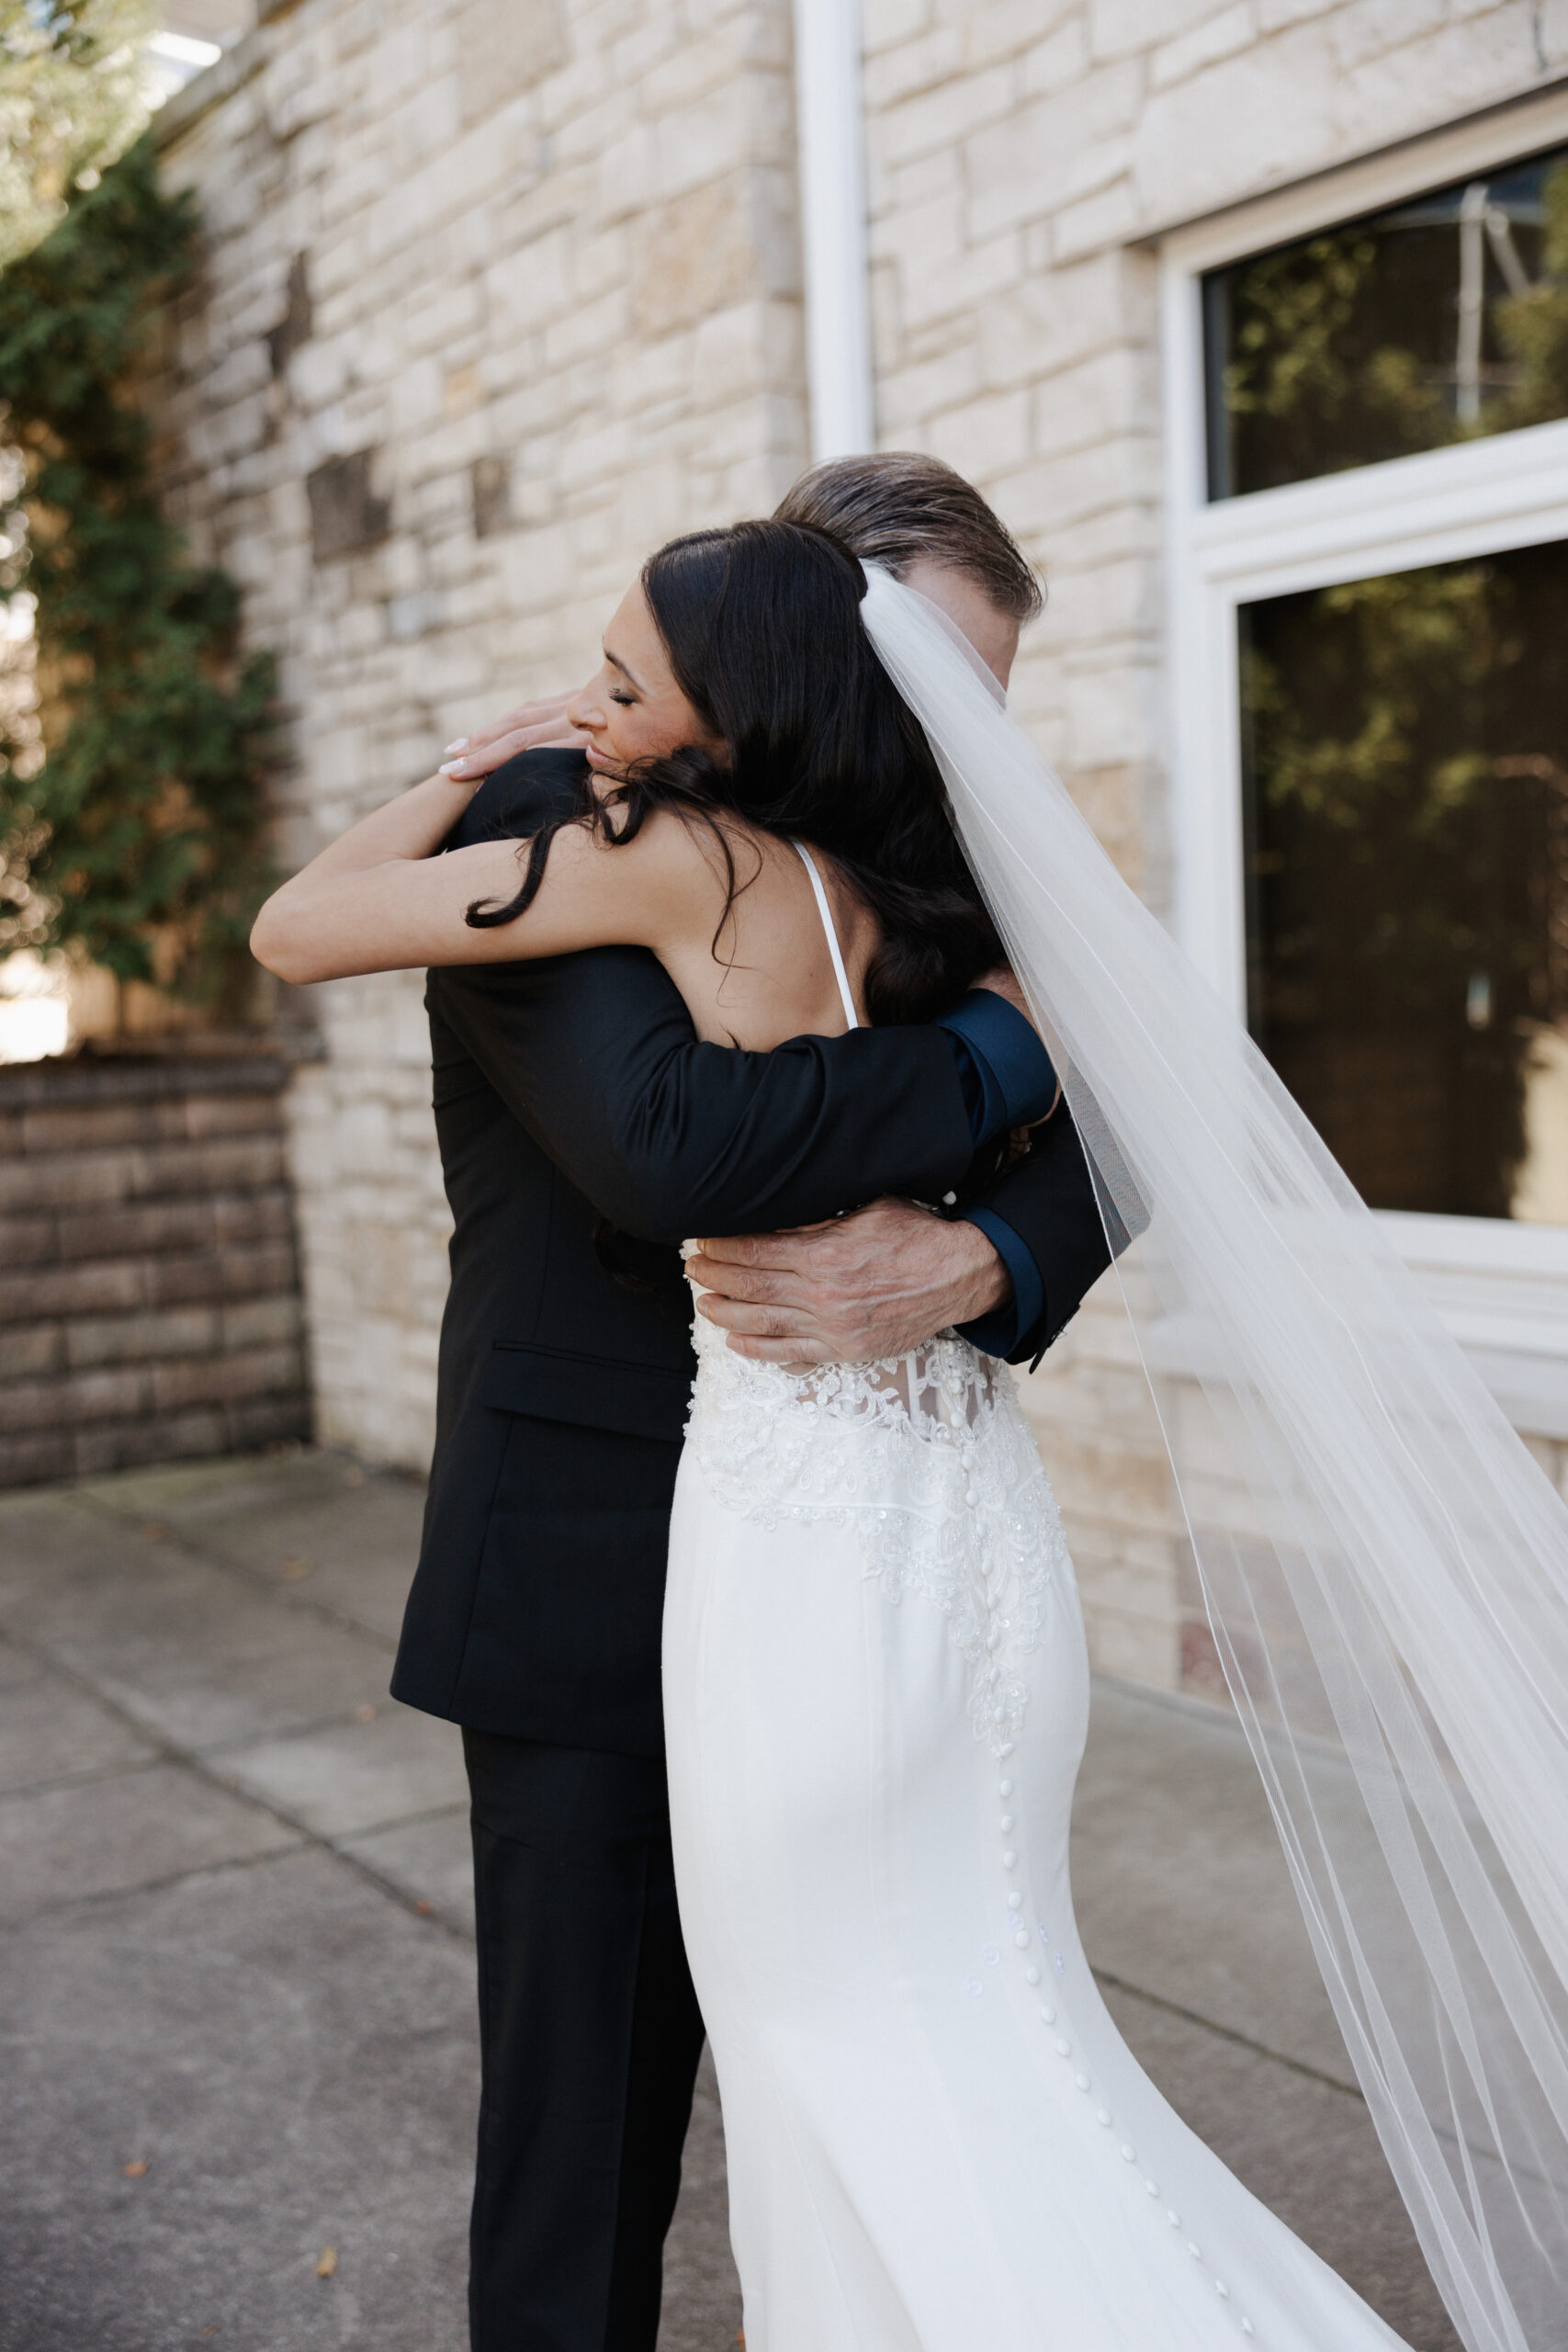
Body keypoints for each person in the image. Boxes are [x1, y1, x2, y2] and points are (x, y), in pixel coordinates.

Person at [253, 518, 1415, 2348]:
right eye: (929, 685)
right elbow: (673, 1152)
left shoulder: (926, 849)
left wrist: (976, 1248)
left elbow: (1141, 1124)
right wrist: (998, 1055)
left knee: (917, 2032)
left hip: (878, 1560)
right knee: (588, 2140)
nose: (963, 746)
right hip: (590, 1563)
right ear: (821, 660)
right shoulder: (581, 811)